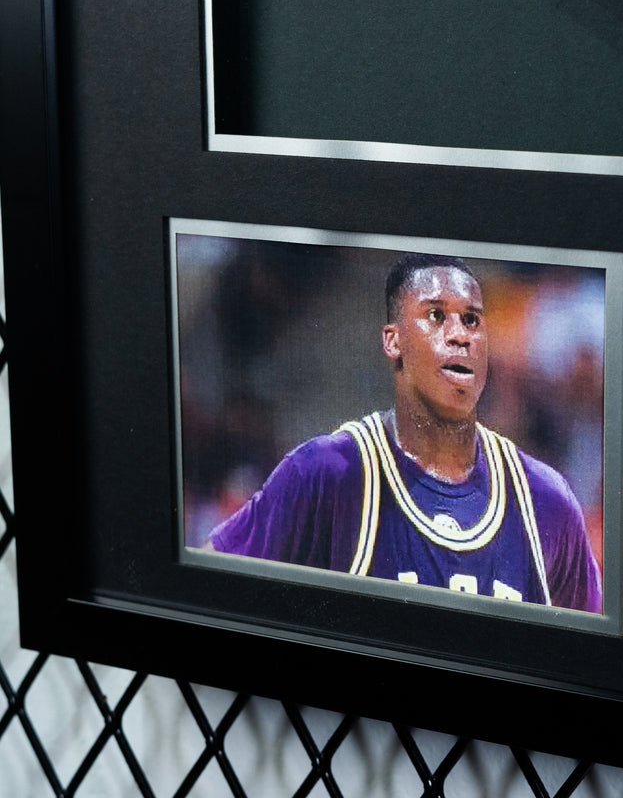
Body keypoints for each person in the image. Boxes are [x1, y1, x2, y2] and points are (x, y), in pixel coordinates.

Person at [207, 253, 602, 612]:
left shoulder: (546, 499)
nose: (459, 334)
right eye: (435, 316)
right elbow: (204, 588)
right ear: (393, 340)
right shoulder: (325, 472)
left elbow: (593, 664)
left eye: (472, 319)